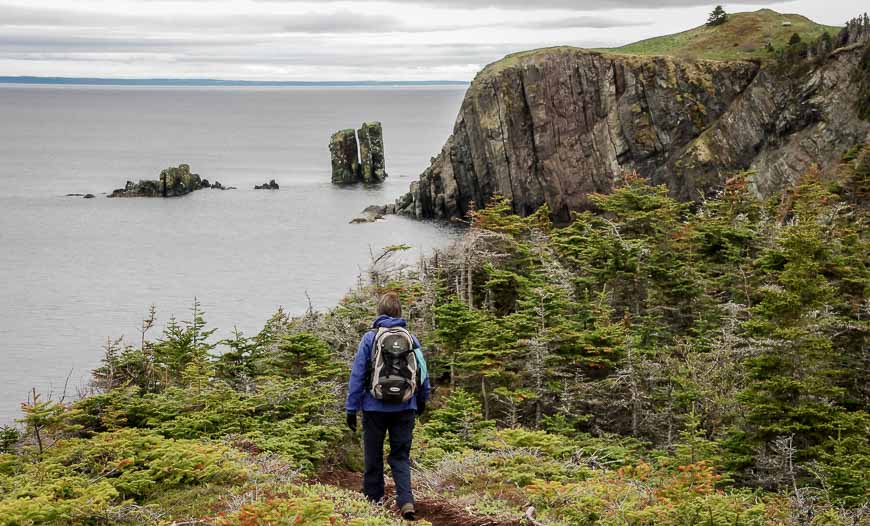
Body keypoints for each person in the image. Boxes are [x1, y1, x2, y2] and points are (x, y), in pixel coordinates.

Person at [345, 292, 430, 521]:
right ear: (399, 312)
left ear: (379, 312)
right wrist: (419, 403)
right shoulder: (411, 339)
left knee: (372, 455)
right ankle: (406, 502)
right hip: (405, 407)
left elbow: (357, 375)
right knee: (400, 457)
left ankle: (373, 504)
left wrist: (351, 408)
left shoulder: (370, 338)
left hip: (374, 408)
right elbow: (422, 374)